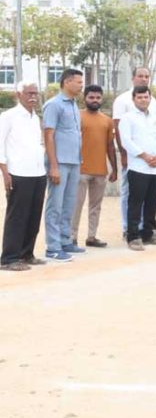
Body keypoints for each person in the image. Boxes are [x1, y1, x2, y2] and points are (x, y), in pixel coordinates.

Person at [0, 82, 48, 270]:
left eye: (35, 93)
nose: (33, 97)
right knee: (17, 216)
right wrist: (5, 173)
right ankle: (9, 258)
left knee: (33, 216)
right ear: (18, 95)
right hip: (18, 173)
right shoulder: (8, 117)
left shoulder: (35, 118)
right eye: (29, 93)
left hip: (38, 172)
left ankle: (26, 254)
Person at [42, 68, 85, 259]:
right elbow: (48, 136)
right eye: (78, 82)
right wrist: (53, 166)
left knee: (69, 204)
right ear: (67, 82)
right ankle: (52, 247)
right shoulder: (54, 105)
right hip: (59, 163)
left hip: (74, 161)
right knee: (55, 205)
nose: (81, 85)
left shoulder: (74, 104)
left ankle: (65, 240)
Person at [121, 85, 156, 250]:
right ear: (133, 99)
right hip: (139, 167)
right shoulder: (127, 118)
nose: (143, 100)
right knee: (135, 202)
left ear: (150, 98)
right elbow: (127, 142)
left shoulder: (155, 117)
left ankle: (148, 232)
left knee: (152, 202)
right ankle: (133, 236)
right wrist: (145, 156)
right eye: (139, 97)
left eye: (146, 97)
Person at [72, 84, 116, 248]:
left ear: (102, 99)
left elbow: (110, 146)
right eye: (91, 97)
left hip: (100, 171)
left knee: (95, 206)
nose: (95, 100)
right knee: (76, 205)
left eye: (98, 97)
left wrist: (114, 169)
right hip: (80, 170)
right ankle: (72, 237)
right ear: (85, 98)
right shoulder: (77, 116)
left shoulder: (107, 120)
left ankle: (92, 236)